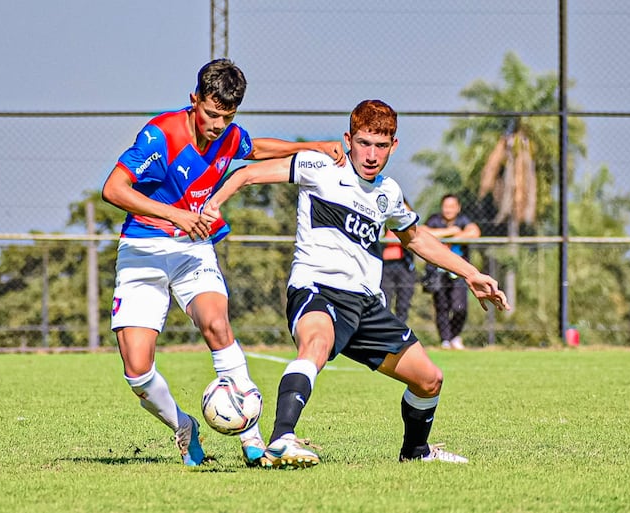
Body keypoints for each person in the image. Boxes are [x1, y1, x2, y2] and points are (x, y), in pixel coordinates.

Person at [202, 99, 510, 468]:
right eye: (364, 143)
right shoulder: (319, 167)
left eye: (381, 145)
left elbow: (416, 238)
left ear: (393, 146)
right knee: (315, 344)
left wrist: (471, 273)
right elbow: (246, 174)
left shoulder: (388, 193)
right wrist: (213, 203)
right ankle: (282, 438)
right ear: (348, 139)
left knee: (429, 379)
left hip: (365, 306)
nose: (371, 154)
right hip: (317, 290)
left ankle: (416, 452)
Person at [101, 58, 346, 467]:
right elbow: (113, 188)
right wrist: (176, 214)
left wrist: (314, 146)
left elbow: (255, 148)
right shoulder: (159, 135)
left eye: (226, 116)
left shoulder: (227, 135)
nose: (216, 124)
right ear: (194, 100)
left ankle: (251, 437)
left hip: (192, 249)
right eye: (211, 114)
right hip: (143, 250)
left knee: (216, 323)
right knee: (137, 371)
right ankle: (184, 427)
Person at [422, 194, 481, 350]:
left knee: (459, 307)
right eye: (446, 206)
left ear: (458, 207)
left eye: (452, 206)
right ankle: (445, 340)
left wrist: (454, 235)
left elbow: (474, 232)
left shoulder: (463, 220)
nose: (448, 209)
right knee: (441, 306)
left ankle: (455, 336)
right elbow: (422, 233)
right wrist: (449, 232)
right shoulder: (434, 220)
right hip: (437, 272)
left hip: (458, 272)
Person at [381, 225, 417, 324]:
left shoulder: (406, 223)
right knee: (384, 302)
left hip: (405, 265)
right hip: (385, 266)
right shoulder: (381, 223)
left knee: (403, 304)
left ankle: (400, 330)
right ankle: (383, 330)